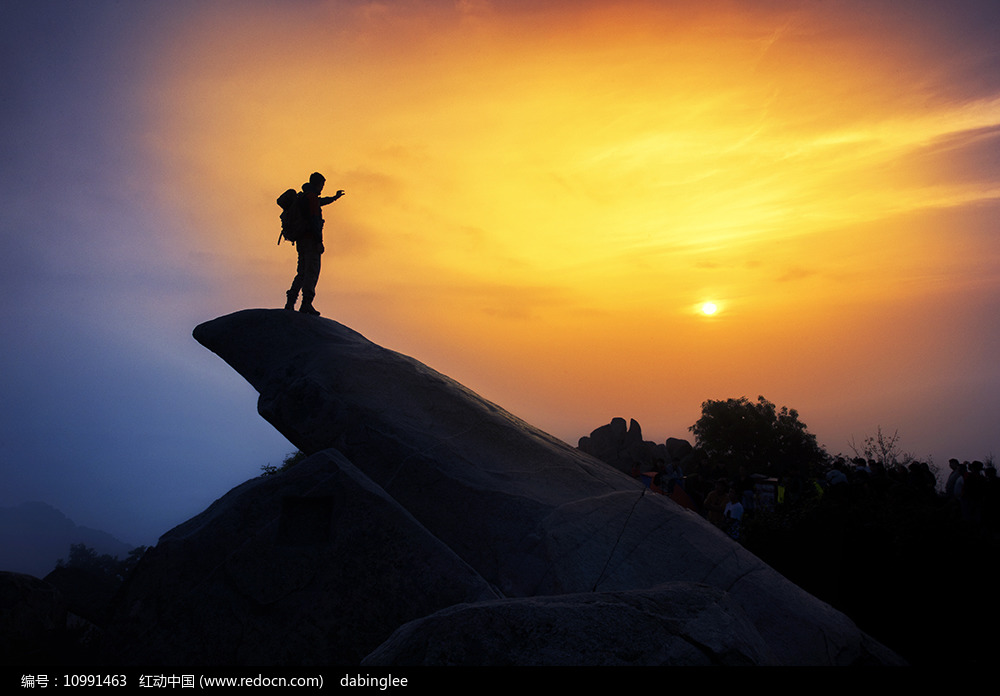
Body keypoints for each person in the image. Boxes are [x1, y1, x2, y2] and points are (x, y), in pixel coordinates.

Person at [285, 172, 345, 315]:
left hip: (301, 241)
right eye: (322, 185)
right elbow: (314, 219)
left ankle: (290, 302)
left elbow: (321, 202)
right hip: (310, 240)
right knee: (311, 271)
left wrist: (334, 198)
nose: (322, 188)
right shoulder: (311, 198)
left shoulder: (304, 197)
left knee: (301, 272)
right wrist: (319, 241)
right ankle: (306, 303)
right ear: (317, 184)